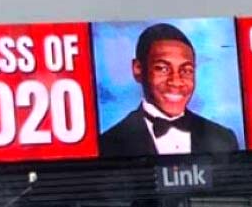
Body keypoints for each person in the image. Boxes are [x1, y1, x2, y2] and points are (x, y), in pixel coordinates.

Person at [99, 23, 239, 157]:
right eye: (163, 69)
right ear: (138, 70)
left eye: (186, 70)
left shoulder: (224, 139)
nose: (176, 82)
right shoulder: (108, 144)